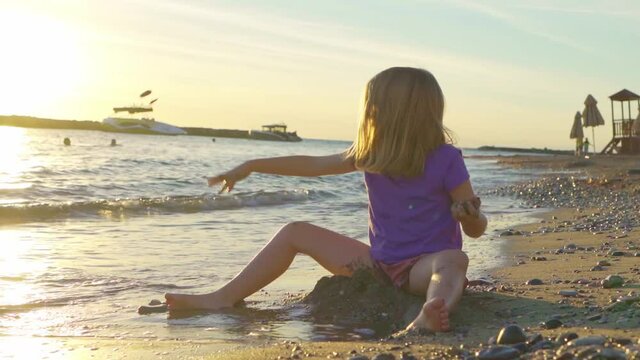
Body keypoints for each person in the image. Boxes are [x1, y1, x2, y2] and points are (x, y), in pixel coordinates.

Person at [165, 67, 488, 333]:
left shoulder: (446, 158)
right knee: (295, 231)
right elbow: (311, 165)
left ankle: (431, 312)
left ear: (385, 112)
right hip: (375, 265)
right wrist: (252, 165)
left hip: (422, 269)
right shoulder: (369, 155)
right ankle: (224, 296)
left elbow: (475, 229)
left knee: (453, 260)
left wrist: (469, 217)